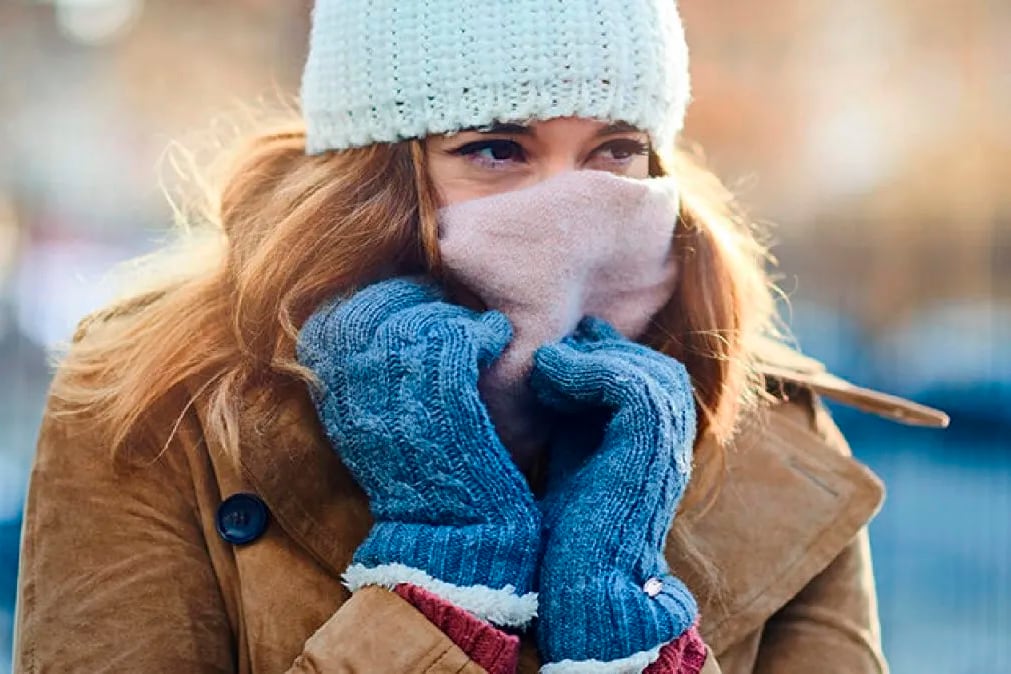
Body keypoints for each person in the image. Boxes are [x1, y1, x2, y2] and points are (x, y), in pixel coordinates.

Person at [12, 0, 950, 672]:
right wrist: (443, 589)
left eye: (614, 149)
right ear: (370, 176)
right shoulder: (154, 403)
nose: (570, 205)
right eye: (496, 148)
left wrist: (626, 631)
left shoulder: (773, 434)